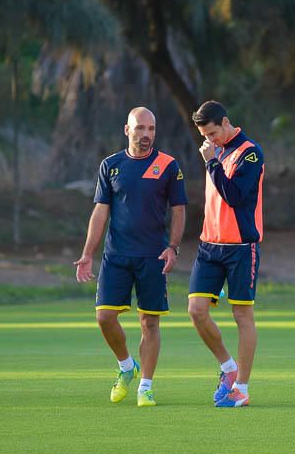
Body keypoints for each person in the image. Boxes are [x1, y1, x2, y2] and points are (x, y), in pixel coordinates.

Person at [74, 107, 187, 406]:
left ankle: (145, 387)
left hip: (153, 256)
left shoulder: (168, 165)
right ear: (127, 130)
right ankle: (127, 366)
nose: (146, 134)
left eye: (151, 129)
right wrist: (88, 253)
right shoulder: (110, 165)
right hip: (116, 256)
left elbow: (179, 210)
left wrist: (173, 247)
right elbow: (100, 212)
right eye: (140, 128)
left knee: (150, 323)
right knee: (104, 317)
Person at [187, 100, 264, 408]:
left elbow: (233, 196)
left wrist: (211, 163)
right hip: (209, 245)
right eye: (205, 135)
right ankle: (228, 368)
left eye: (213, 133)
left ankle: (242, 389)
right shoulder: (214, 151)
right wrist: (212, 159)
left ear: (226, 122)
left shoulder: (251, 152)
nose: (210, 140)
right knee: (196, 310)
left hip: (241, 247)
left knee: (241, 315)